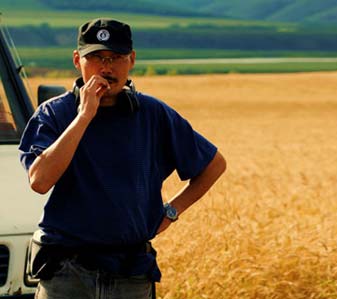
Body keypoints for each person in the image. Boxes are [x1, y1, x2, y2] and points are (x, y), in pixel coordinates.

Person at [18, 18, 226, 299]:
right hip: (66, 273)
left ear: (132, 61)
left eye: (116, 57)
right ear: (77, 60)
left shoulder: (153, 114)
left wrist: (171, 211)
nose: (106, 67)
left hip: (131, 273)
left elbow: (214, 165)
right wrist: (84, 117)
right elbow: (40, 180)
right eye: (96, 57)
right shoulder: (54, 114)